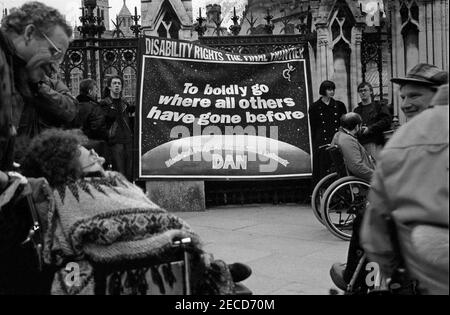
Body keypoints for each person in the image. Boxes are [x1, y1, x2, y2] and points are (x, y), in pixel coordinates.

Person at [1, 128, 251, 294]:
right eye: (85, 151)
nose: (93, 153)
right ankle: (210, 271)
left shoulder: (109, 181)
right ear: (65, 163)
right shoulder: (75, 192)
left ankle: (207, 268)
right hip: (121, 263)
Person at [360, 82, 449, 295]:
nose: (406, 104)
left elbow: (376, 226)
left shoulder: (404, 141)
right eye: (403, 98)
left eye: (414, 96)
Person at [0, 1, 77, 170]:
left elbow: (69, 110)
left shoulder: (19, 75)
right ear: (29, 33)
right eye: (53, 52)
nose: (55, 67)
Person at [328, 113, 376, 292]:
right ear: (356, 126)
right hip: (359, 181)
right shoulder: (348, 141)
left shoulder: (339, 136)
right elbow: (356, 166)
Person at [309, 80, 347, 187]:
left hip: (336, 140)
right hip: (322, 141)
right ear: (323, 90)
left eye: (333, 89)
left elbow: (344, 124)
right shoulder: (314, 107)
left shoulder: (339, 105)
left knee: (338, 169)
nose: (332, 92)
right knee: (322, 170)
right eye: (329, 89)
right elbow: (314, 127)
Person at [100, 75, 134, 180]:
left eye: (119, 83)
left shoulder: (125, 103)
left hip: (128, 140)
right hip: (115, 141)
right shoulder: (104, 103)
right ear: (109, 87)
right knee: (119, 173)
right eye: (114, 83)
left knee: (129, 172)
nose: (117, 86)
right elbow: (102, 123)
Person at [354, 82, 392, 160]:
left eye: (365, 90)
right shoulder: (357, 110)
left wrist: (370, 128)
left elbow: (386, 121)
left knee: (375, 168)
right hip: (361, 144)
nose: (363, 92)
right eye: (360, 91)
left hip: (376, 143)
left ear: (371, 91)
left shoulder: (379, 106)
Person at [72, 78, 109, 160]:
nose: (96, 93)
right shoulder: (94, 107)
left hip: (75, 145)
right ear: (90, 91)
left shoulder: (72, 105)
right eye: (95, 90)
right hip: (92, 146)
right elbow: (98, 129)